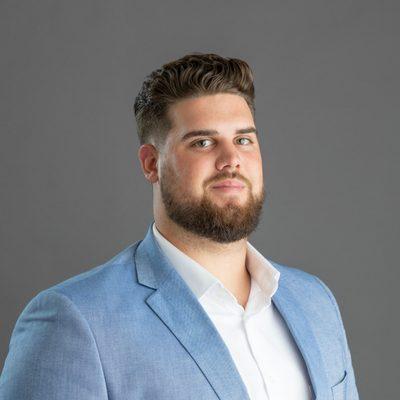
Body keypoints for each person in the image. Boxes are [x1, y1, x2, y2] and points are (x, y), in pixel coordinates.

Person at [0, 53, 359, 400]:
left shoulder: (315, 302)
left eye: (243, 140)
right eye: (203, 142)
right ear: (151, 164)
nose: (231, 159)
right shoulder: (75, 323)